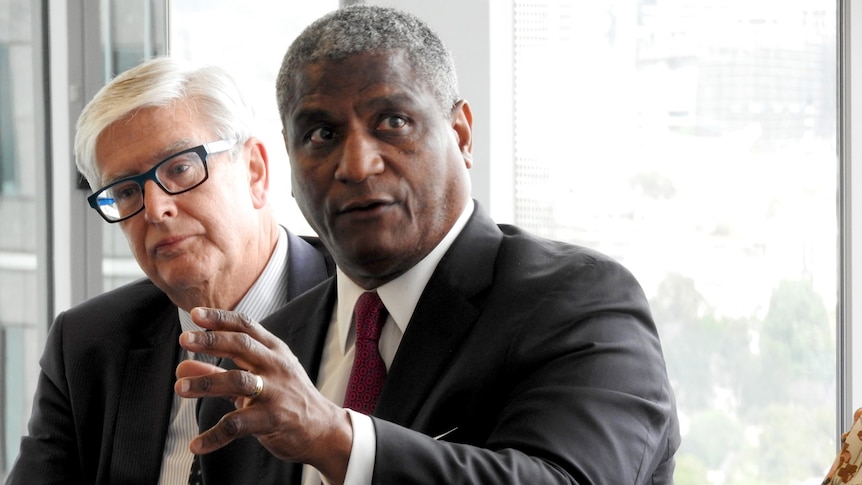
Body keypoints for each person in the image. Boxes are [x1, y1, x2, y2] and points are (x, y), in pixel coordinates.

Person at [176, 5, 680, 484]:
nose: (356, 165)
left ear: (461, 135)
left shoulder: (579, 302)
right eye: (322, 134)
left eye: (393, 122)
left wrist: (334, 439)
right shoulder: (254, 371)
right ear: (289, 162)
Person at [6, 57, 332, 485]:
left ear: (255, 171)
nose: (157, 209)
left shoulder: (361, 308)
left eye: (180, 168)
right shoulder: (88, 344)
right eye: (125, 191)